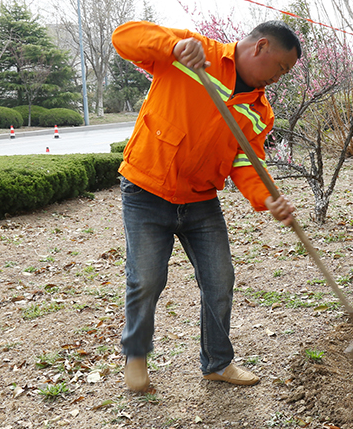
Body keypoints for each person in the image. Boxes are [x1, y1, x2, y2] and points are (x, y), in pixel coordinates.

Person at [111, 20, 301, 392]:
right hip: (147, 187)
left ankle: (217, 362)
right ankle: (135, 356)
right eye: (281, 67)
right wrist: (173, 47)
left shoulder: (259, 110)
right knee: (146, 279)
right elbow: (124, 38)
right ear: (261, 46)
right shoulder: (195, 52)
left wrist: (267, 197)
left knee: (220, 278)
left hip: (199, 199)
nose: (279, 77)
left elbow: (246, 162)